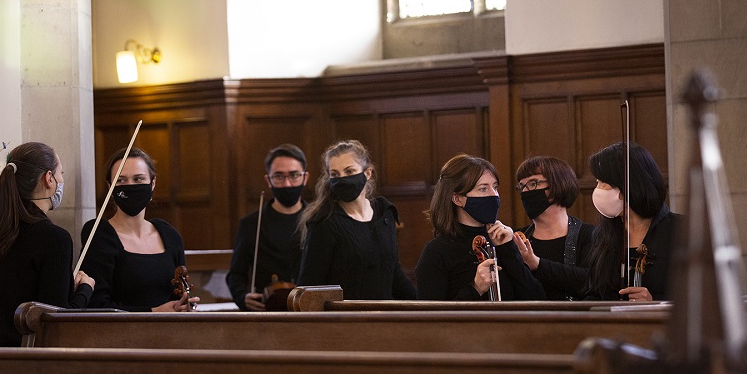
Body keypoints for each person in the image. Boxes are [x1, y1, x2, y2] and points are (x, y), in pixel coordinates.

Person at [0, 142, 95, 347]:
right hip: (34, 363)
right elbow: (57, 321)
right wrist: (86, 289)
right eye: (61, 174)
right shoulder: (54, 239)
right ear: (48, 178)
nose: (62, 180)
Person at [80, 147, 198, 312]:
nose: (130, 186)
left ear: (153, 183)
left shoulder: (169, 235)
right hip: (119, 335)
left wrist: (184, 304)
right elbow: (97, 305)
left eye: (138, 179)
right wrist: (154, 312)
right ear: (110, 187)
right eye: (121, 180)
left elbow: (176, 301)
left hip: (170, 334)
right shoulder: (100, 234)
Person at [296, 140, 417, 300]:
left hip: (384, 318)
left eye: (349, 171)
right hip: (344, 320)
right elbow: (310, 286)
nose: (342, 179)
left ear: (367, 173)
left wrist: (423, 303)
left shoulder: (384, 214)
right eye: (335, 174)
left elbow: (392, 272)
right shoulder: (324, 223)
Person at [416, 154, 545, 301]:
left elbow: (537, 300)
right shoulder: (437, 251)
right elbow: (430, 318)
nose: (494, 195)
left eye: (495, 187)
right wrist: (475, 288)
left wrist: (509, 251)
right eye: (483, 189)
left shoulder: (503, 241)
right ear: (458, 199)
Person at [583, 142, 678, 302]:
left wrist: (655, 301)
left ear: (628, 186)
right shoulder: (603, 234)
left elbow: (701, 296)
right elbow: (594, 292)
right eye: (597, 182)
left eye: (603, 183)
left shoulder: (679, 230)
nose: (597, 190)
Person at [226, 143, 308, 311]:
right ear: (268, 180)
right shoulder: (250, 224)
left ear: (305, 178)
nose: (287, 184)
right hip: (266, 312)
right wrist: (242, 297)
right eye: (279, 176)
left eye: (294, 175)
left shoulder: (318, 220)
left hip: (309, 312)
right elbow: (235, 274)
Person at [510, 156, 595, 301]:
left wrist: (537, 264)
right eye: (522, 186)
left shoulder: (590, 235)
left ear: (558, 184)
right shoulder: (517, 238)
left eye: (533, 183)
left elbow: (591, 282)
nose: (525, 192)